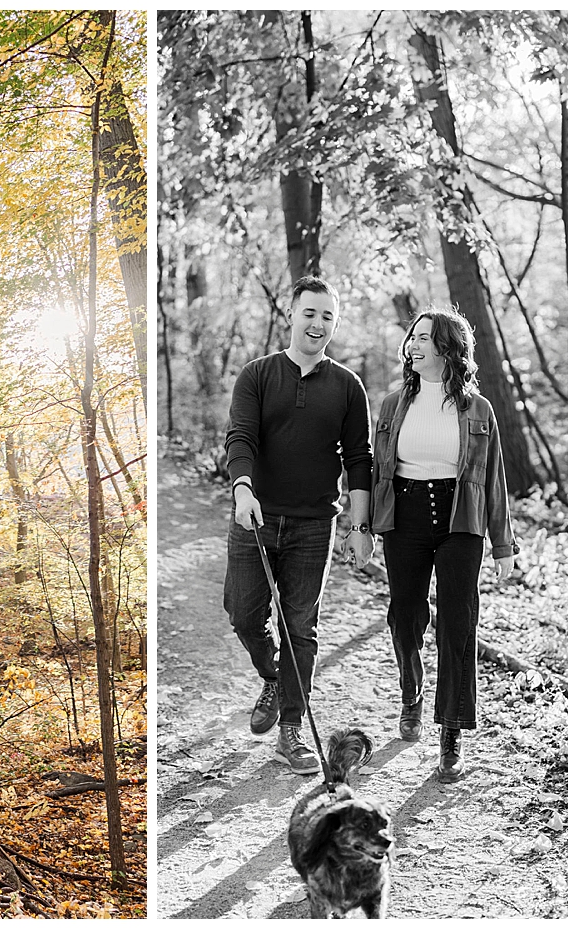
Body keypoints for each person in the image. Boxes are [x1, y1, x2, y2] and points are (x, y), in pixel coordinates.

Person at [223, 276, 374, 774]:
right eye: (310, 313)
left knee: (300, 626)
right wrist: (243, 487)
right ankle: (272, 675)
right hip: (255, 516)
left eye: (328, 316)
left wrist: (360, 524)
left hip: (314, 524)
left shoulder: (347, 386)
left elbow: (359, 458)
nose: (318, 324)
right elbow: (240, 437)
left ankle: (291, 728)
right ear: (293, 315)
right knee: (243, 612)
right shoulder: (258, 375)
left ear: (335, 323)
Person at [367, 307, 516, 782]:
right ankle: (411, 691)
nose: (413, 345)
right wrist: (364, 527)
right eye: (412, 337)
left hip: (460, 517)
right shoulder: (392, 405)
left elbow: (494, 479)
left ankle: (451, 730)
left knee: (458, 619)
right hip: (405, 516)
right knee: (405, 613)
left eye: (424, 338)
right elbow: (377, 472)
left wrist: (503, 544)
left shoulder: (479, 409)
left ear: (448, 348)